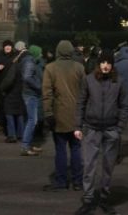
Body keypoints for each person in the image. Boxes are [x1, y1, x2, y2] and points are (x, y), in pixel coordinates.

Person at [75, 49, 127, 215]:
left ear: (112, 65)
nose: (106, 66)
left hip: (111, 129)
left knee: (108, 167)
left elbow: (124, 105)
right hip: (92, 129)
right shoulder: (89, 79)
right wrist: (78, 126)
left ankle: (104, 198)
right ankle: (88, 199)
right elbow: (81, 103)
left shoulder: (119, 81)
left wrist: (119, 128)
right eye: (103, 63)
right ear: (99, 64)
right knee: (89, 165)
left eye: (109, 63)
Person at [42, 39, 86, 191]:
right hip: (76, 115)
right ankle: (78, 181)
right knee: (76, 149)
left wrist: (48, 112)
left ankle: (61, 180)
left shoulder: (50, 68)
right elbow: (84, 91)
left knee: (60, 149)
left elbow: (47, 93)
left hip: (58, 114)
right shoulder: (79, 68)